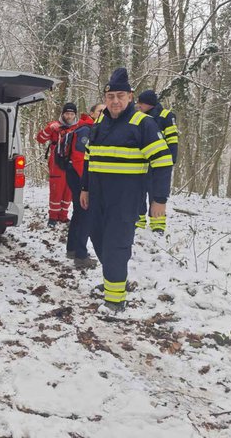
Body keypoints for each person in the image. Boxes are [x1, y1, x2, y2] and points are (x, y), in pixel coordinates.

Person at [79, 68, 173, 313]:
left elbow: (163, 162)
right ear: (105, 98)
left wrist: (159, 200)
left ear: (131, 97)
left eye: (121, 95)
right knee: (97, 239)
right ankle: (113, 279)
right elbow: (89, 157)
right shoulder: (100, 122)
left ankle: (115, 300)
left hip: (125, 199)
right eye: (111, 96)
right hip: (98, 196)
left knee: (116, 246)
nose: (115, 101)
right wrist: (85, 188)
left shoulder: (144, 124)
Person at [135, 89, 179, 232]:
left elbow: (172, 140)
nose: (138, 105)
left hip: (159, 162)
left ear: (149, 104)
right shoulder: (139, 117)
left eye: (141, 103)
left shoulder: (166, 116)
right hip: (141, 162)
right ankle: (138, 222)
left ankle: (158, 225)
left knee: (156, 193)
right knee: (139, 192)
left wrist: (170, 161)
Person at [57, 108, 96, 268]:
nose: (103, 113)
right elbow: (80, 159)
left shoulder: (83, 128)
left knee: (79, 213)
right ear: (92, 113)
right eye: (100, 111)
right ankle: (80, 255)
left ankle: (72, 249)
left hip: (74, 176)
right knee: (85, 214)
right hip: (79, 177)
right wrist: (86, 183)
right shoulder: (86, 129)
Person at [36, 103, 78, 226]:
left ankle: (63, 216)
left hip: (72, 164)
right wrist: (49, 129)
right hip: (56, 164)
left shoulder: (78, 127)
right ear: (62, 114)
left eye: (71, 114)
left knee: (68, 191)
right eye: (67, 113)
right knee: (56, 191)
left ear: (75, 115)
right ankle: (53, 217)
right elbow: (40, 139)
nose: (69, 116)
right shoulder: (54, 126)